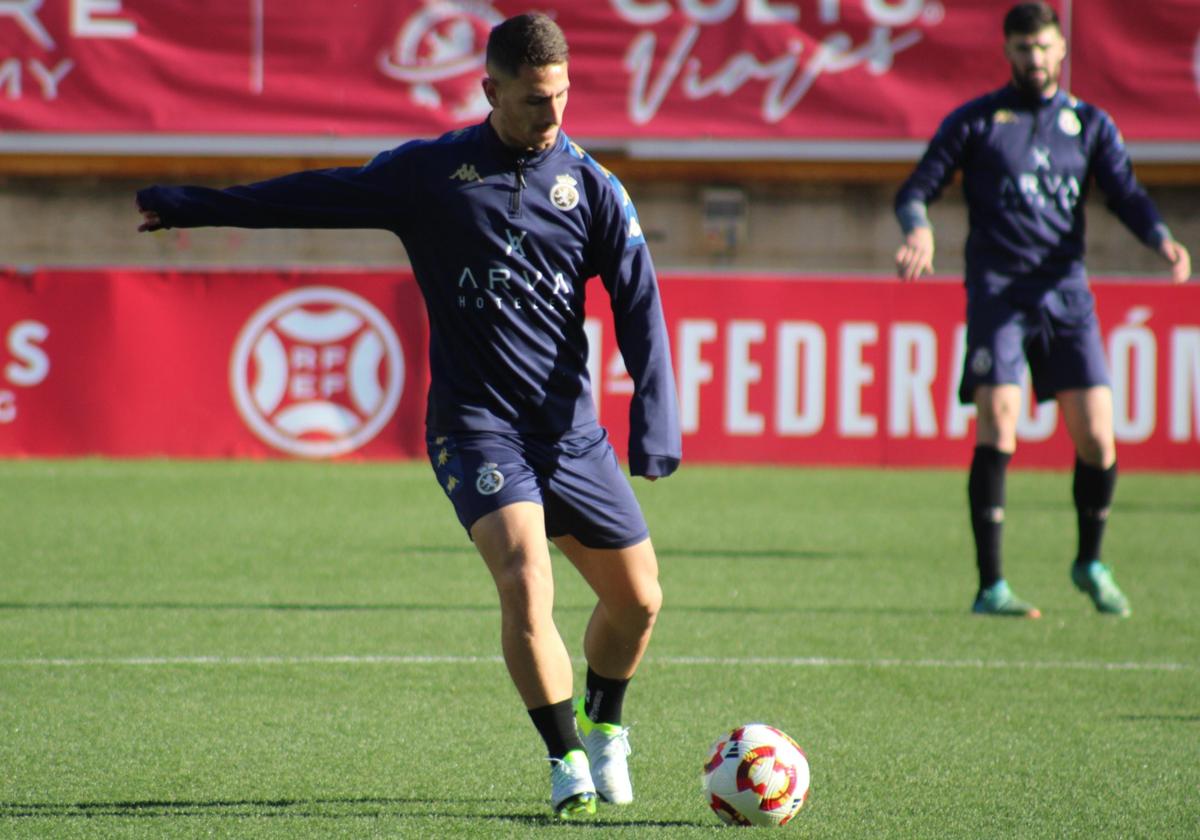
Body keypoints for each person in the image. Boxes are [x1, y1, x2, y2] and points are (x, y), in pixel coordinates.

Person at [137, 13, 681, 818]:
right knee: (525, 579)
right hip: (475, 424)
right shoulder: (434, 173)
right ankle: (565, 757)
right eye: (536, 100)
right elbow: (317, 197)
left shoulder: (594, 188)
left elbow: (640, 304)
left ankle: (605, 728)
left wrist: (654, 417)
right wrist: (194, 205)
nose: (554, 115)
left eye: (563, 96)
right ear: (490, 89)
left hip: (570, 434)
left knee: (638, 602)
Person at [893, 2, 1191, 619]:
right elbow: (916, 187)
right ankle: (991, 586)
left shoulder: (1090, 124)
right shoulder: (977, 122)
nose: (1035, 59)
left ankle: (1089, 561)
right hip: (1000, 293)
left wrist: (1159, 237)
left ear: (1062, 51)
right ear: (1008, 51)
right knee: (999, 421)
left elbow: (1125, 193)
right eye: (1024, 48)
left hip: (1066, 294)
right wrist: (919, 229)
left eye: (1045, 47)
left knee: (1098, 438)